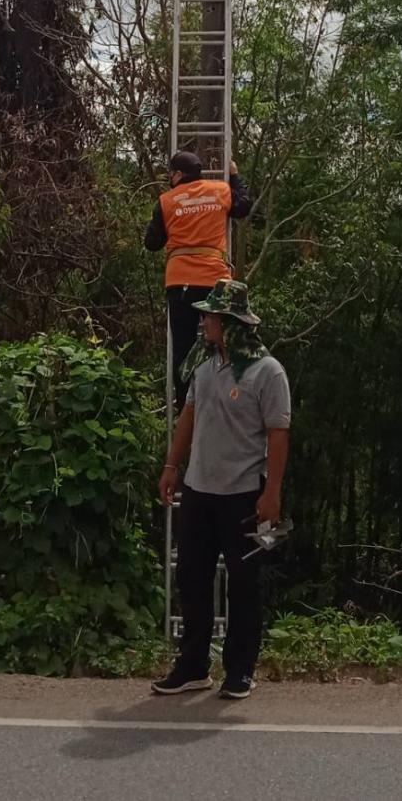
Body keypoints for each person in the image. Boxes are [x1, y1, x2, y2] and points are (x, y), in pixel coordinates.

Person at [152, 279, 291, 701]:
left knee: (243, 583)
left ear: (230, 323)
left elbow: (278, 434)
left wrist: (272, 493)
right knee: (191, 576)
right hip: (199, 489)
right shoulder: (204, 366)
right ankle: (193, 666)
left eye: (211, 316)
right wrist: (172, 466)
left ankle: (240, 669)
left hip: (243, 493)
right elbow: (189, 416)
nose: (204, 322)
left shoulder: (267, 372)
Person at [145, 150, 252, 410]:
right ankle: (230, 399)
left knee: (183, 348)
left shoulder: (167, 201)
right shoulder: (220, 190)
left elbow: (152, 243)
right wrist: (235, 176)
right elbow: (243, 206)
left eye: (171, 174)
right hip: (214, 281)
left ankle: (186, 408)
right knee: (224, 341)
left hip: (180, 282)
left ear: (178, 174)